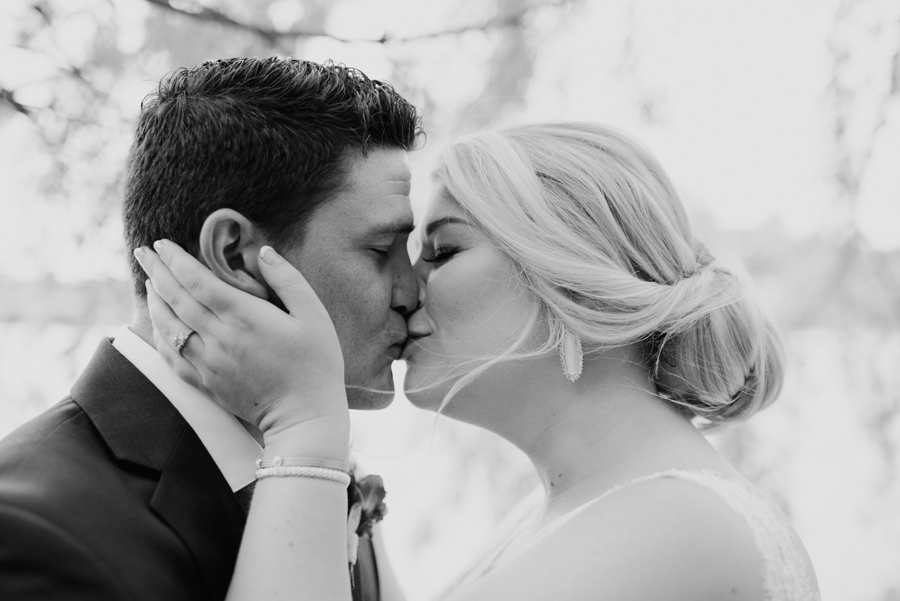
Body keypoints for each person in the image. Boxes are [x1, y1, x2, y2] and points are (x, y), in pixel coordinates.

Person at [137, 122, 821, 600]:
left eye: (442, 250)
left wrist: (303, 431)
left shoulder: (680, 527)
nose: (405, 290)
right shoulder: (575, 507)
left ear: (568, 275)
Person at [0, 57, 420, 600]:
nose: (412, 294)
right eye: (382, 250)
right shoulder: (31, 532)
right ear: (235, 257)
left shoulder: (320, 460)